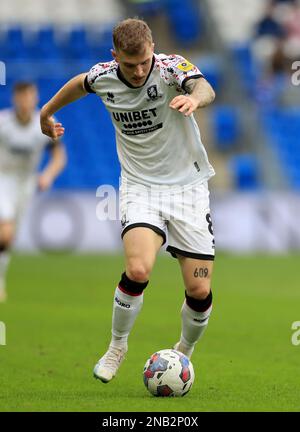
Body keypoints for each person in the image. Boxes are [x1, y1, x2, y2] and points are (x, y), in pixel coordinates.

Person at [40, 18, 216, 383]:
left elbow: (205, 87)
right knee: (138, 270)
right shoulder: (103, 76)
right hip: (140, 188)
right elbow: (79, 84)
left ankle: (182, 354)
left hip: (189, 189)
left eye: (143, 62)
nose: (137, 71)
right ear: (114, 56)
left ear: (153, 47)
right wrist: (46, 112)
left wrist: (194, 98)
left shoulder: (170, 69)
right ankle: (117, 346)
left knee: (199, 289)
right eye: (128, 63)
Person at [0, 82, 66, 302]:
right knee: (6, 230)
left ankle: (1, 279)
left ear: (35, 98)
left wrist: (47, 175)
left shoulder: (45, 122)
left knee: (9, 239)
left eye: (29, 97)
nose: (25, 102)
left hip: (26, 182)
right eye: (21, 97)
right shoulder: (3, 123)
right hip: (3, 178)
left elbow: (59, 156)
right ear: (15, 99)